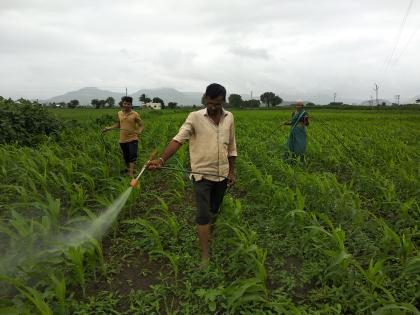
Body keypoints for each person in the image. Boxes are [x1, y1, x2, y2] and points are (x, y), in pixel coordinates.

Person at [147, 83, 237, 268]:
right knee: (203, 214)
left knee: (215, 210)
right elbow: (178, 139)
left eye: (217, 103)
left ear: (223, 101)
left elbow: (232, 146)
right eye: (210, 102)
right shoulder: (195, 117)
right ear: (205, 98)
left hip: (222, 174)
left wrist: (231, 171)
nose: (213, 107)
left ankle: (210, 230)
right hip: (201, 175)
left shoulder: (229, 117)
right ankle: (205, 255)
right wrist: (162, 160)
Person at [102, 96, 144, 176]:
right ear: (122, 104)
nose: (126, 105)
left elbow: (141, 125)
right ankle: (129, 170)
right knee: (126, 156)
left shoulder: (135, 114)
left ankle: (131, 174)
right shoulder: (119, 113)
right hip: (122, 139)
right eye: (125, 103)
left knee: (132, 156)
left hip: (132, 138)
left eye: (128, 104)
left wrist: (139, 131)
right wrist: (109, 128)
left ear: (131, 105)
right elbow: (118, 125)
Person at [283, 100, 309, 166]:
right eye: (297, 105)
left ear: (302, 106)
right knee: (290, 145)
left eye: (300, 105)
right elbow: (292, 122)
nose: (298, 106)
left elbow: (306, 124)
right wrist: (286, 123)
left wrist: (305, 119)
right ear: (295, 106)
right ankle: (291, 160)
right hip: (293, 130)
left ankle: (301, 161)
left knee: (301, 146)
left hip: (301, 131)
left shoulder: (304, 113)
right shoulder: (294, 113)